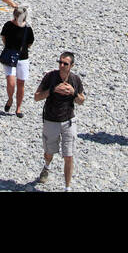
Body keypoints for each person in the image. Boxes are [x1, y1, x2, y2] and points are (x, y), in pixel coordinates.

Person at [35, 51, 85, 190]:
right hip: (51, 120)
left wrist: (73, 93)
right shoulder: (50, 77)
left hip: (68, 121)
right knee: (49, 153)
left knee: (68, 155)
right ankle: (47, 166)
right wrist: (53, 90)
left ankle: (67, 187)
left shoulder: (75, 80)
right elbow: (37, 96)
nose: (61, 66)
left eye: (65, 64)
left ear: (72, 65)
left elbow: (82, 100)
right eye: (60, 62)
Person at [0, 6, 35, 116]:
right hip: (10, 56)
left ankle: (18, 108)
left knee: (21, 83)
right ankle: (10, 98)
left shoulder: (28, 28)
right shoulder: (8, 25)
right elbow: (3, 37)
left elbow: (30, 43)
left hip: (23, 57)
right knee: (11, 82)